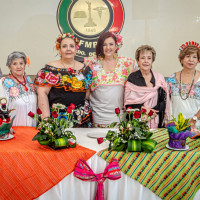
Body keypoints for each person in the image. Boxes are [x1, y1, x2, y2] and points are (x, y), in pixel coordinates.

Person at [35, 33, 92, 127]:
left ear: (76, 49)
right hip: (57, 118)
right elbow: (42, 93)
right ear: (59, 49)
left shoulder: (85, 69)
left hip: (81, 118)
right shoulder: (50, 69)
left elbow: (87, 94)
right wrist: (46, 119)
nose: (68, 49)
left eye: (71, 46)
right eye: (64, 46)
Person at [84, 31, 138, 127]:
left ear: (116, 45)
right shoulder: (91, 63)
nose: (108, 47)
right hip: (98, 116)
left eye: (111, 44)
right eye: (104, 44)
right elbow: (86, 93)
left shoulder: (127, 64)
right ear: (100, 46)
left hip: (120, 115)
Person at [124, 45, 170, 128]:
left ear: (152, 61)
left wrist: (152, 112)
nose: (146, 61)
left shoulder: (159, 77)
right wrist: (145, 110)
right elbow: (128, 103)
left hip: (156, 118)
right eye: (142, 58)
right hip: (136, 122)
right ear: (138, 61)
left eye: (149, 58)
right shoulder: (132, 77)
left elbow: (163, 100)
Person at [166, 41, 200, 128]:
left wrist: (194, 119)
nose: (191, 60)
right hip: (176, 126)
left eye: (194, 57)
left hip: (196, 126)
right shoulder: (172, 78)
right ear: (181, 59)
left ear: (198, 60)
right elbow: (167, 103)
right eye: (187, 56)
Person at [0, 51, 37, 126]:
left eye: (21, 63)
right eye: (14, 64)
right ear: (9, 66)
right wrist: (5, 125)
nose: (19, 67)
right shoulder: (5, 83)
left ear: (25, 65)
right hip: (14, 128)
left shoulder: (29, 80)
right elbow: (1, 108)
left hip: (32, 128)